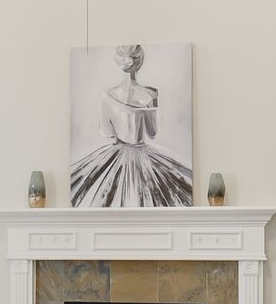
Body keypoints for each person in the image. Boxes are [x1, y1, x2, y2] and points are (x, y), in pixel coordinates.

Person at [70, 45, 192, 206]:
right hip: (143, 154)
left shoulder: (106, 95)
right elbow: (152, 132)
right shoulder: (151, 94)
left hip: (116, 155)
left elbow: (105, 131)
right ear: (139, 62)